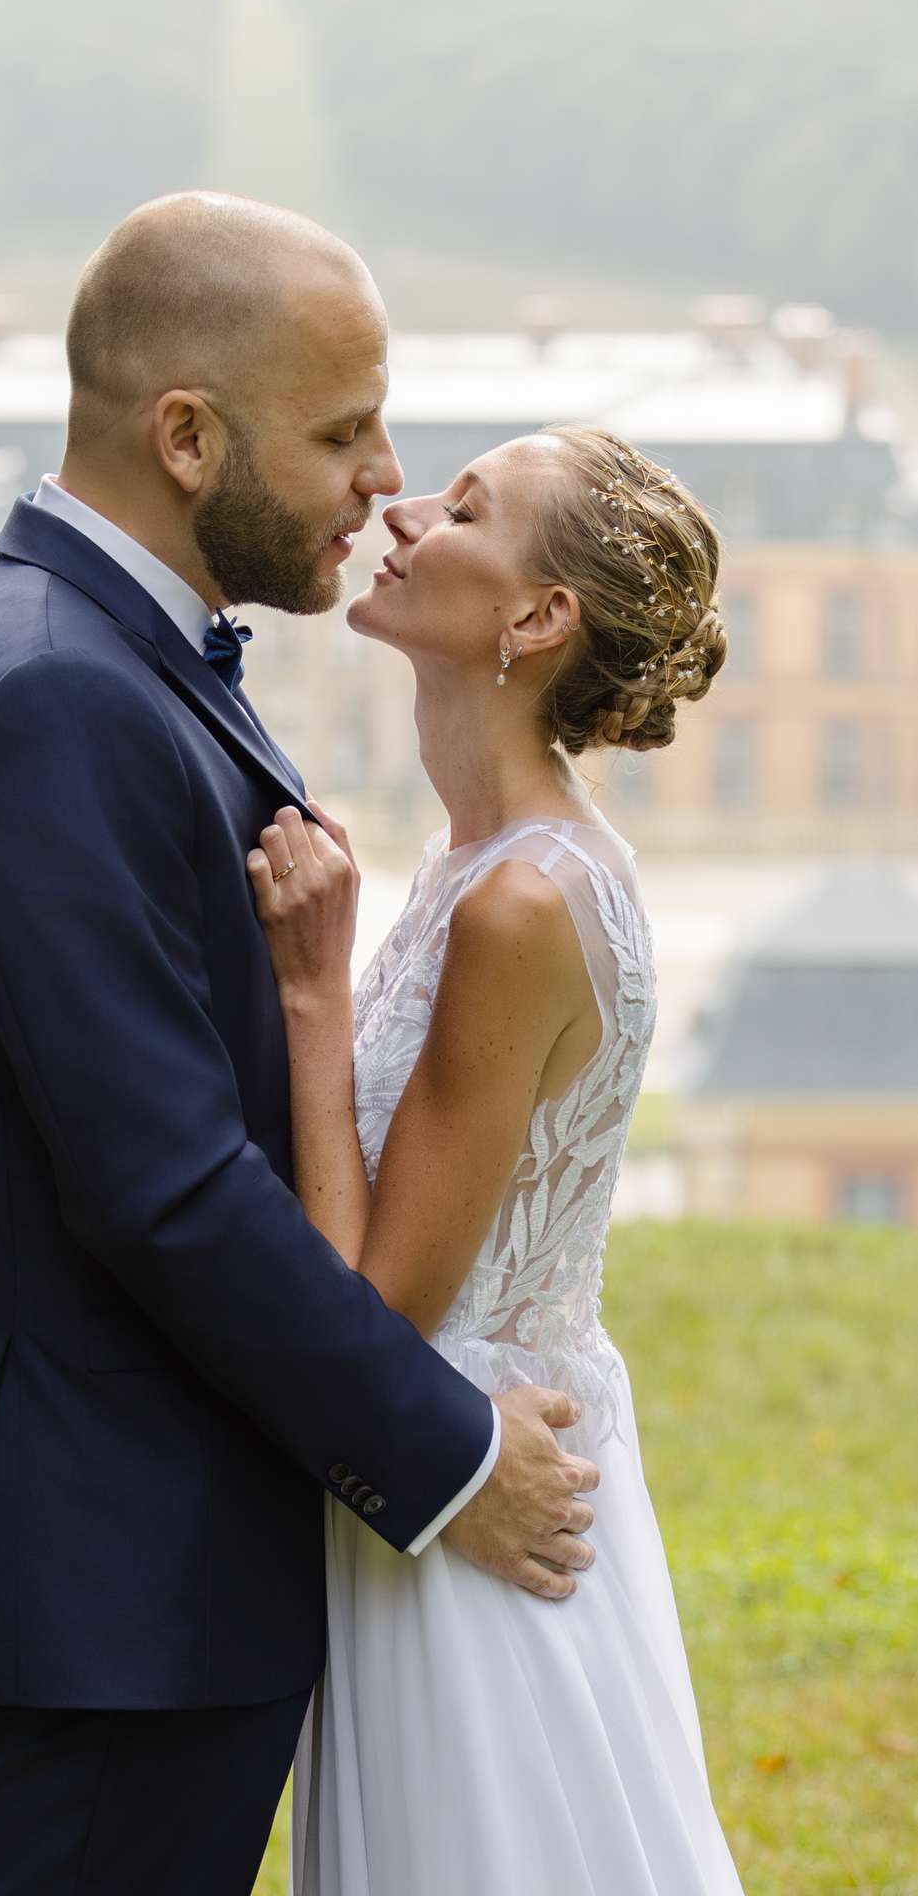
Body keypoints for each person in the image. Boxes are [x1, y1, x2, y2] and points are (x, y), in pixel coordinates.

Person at [0, 194, 599, 1896]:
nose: (381, 476)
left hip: (170, 1551)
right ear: (185, 436)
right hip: (123, 1564)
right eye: (341, 432)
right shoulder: (51, 694)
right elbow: (162, 1186)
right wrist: (448, 1461)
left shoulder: (114, 655)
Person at [247, 425, 744, 1893]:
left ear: (536, 620)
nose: (402, 512)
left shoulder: (520, 905)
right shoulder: (488, 862)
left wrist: (311, 992)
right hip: (440, 1490)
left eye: (462, 509)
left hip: (468, 1511)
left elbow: (382, 1308)